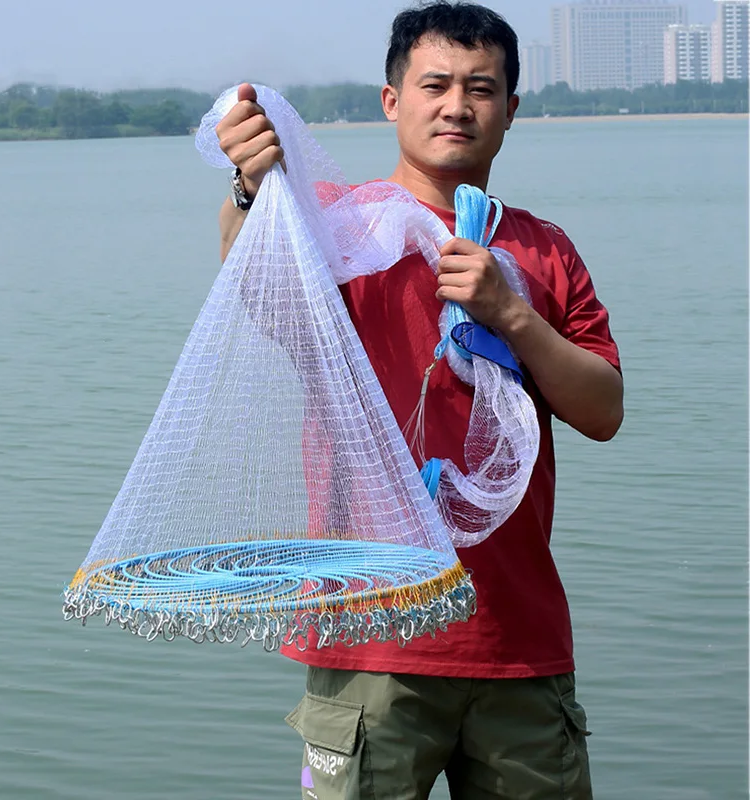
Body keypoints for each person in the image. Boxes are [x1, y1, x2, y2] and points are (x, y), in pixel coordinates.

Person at [217, 3, 623, 798]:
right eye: (434, 83)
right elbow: (260, 292)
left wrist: (511, 314)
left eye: (482, 87)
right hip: (368, 641)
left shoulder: (543, 248)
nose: (457, 104)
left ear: (512, 109)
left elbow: (604, 409)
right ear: (391, 101)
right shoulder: (337, 227)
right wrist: (248, 188)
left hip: (519, 646)